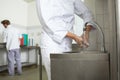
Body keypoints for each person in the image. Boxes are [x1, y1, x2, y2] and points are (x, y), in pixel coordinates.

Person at [36, 0, 96, 80]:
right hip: (52, 43)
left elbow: (86, 12)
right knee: (56, 76)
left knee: (67, 75)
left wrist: (86, 31)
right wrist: (74, 36)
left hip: (68, 42)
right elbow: (47, 22)